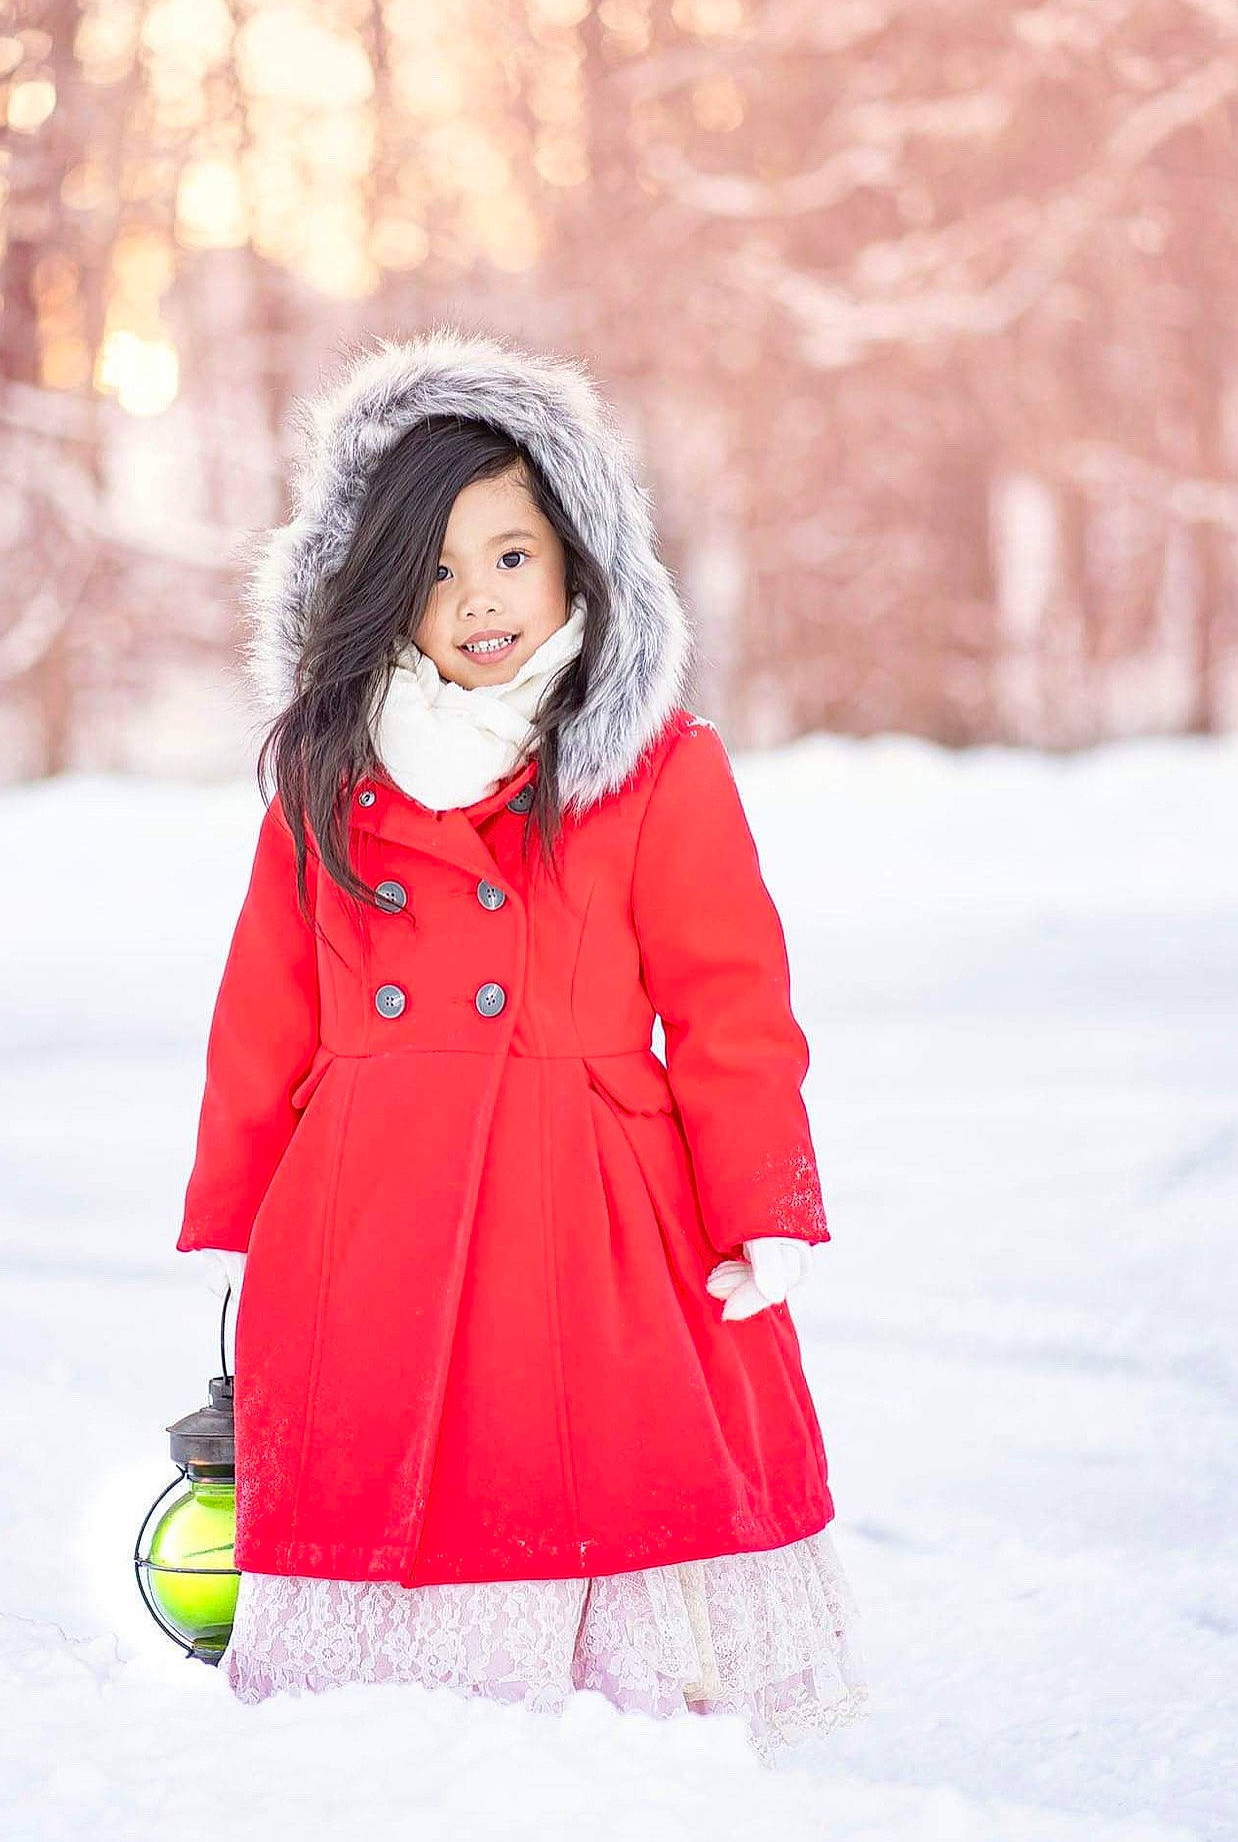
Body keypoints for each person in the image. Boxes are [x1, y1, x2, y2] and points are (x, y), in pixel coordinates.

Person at [173, 327, 868, 1759]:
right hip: (364, 1223)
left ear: (574, 562)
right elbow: (263, 1014)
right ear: (373, 597)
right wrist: (234, 1217)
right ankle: (391, 1761)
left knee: (602, 1481)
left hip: (599, 1220)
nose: (476, 598)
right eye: (431, 568)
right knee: (394, 1532)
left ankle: (622, 1759)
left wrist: (762, 1205)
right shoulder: (325, 782)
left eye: (508, 554)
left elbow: (731, 1006)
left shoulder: (654, 769)